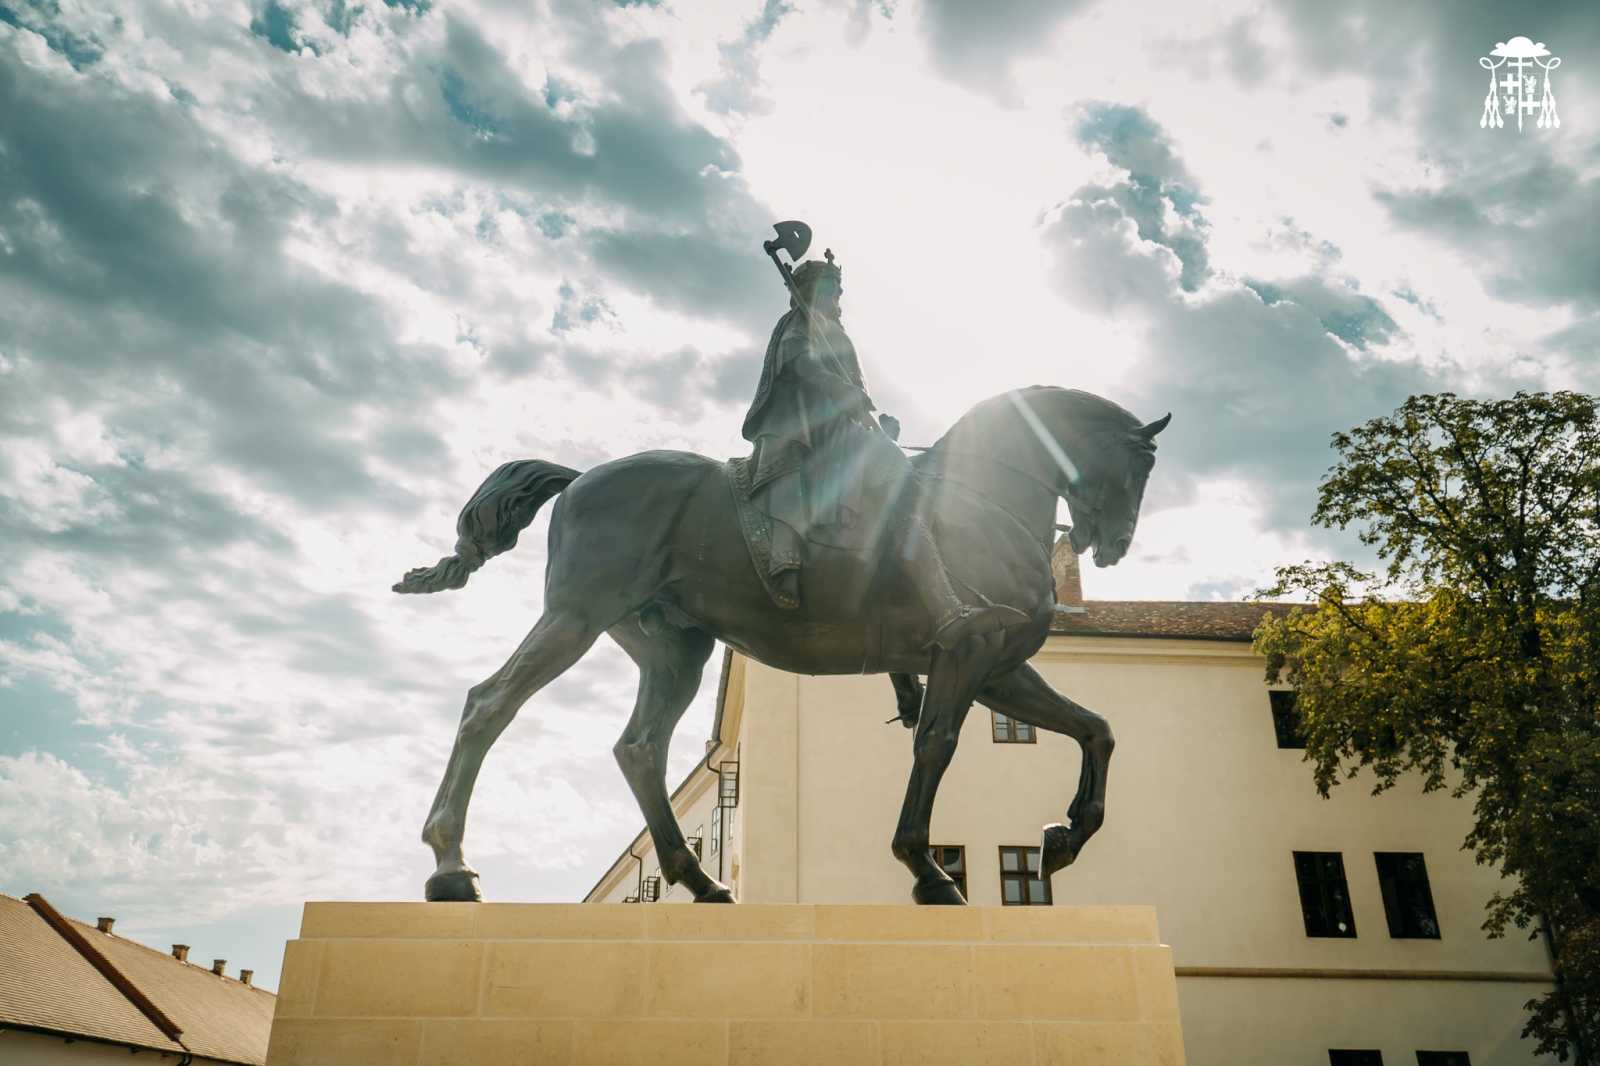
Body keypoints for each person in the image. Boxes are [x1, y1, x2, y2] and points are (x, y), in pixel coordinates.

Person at [740, 254, 1025, 649]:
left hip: (843, 430)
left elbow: (851, 387)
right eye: (829, 288)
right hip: (814, 429)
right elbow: (801, 364)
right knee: (899, 478)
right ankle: (943, 607)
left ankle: (915, 585)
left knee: (900, 481)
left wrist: (871, 421)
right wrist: (847, 396)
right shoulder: (801, 322)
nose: (836, 296)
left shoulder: (833, 329)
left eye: (838, 290)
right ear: (810, 290)